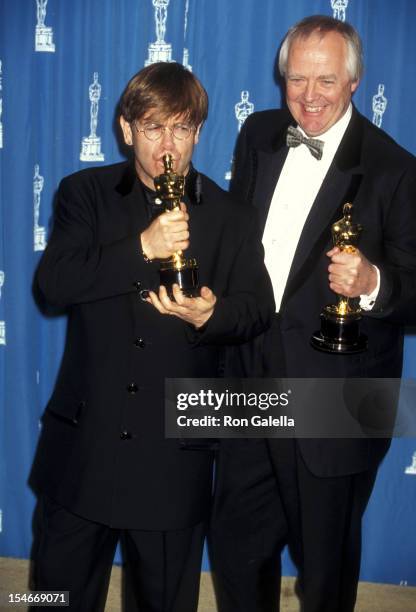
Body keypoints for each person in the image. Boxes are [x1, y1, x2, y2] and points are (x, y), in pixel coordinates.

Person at [29, 62, 274, 612]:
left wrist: (210, 316)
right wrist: (143, 247)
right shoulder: (84, 195)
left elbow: (257, 310)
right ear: (124, 129)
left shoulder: (232, 216)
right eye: (153, 127)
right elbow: (55, 285)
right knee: (50, 596)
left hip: (174, 458)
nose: (168, 144)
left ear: (199, 133)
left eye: (182, 128)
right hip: (83, 450)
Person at [210, 15, 416, 612]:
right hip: (249, 369)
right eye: (296, 80)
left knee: (326, 566)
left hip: (342, 389)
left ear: (354, 82)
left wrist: (375, 282)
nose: (308, 97)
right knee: (237, 543)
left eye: (325, 81)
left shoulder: (396, 170)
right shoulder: (259, 133)